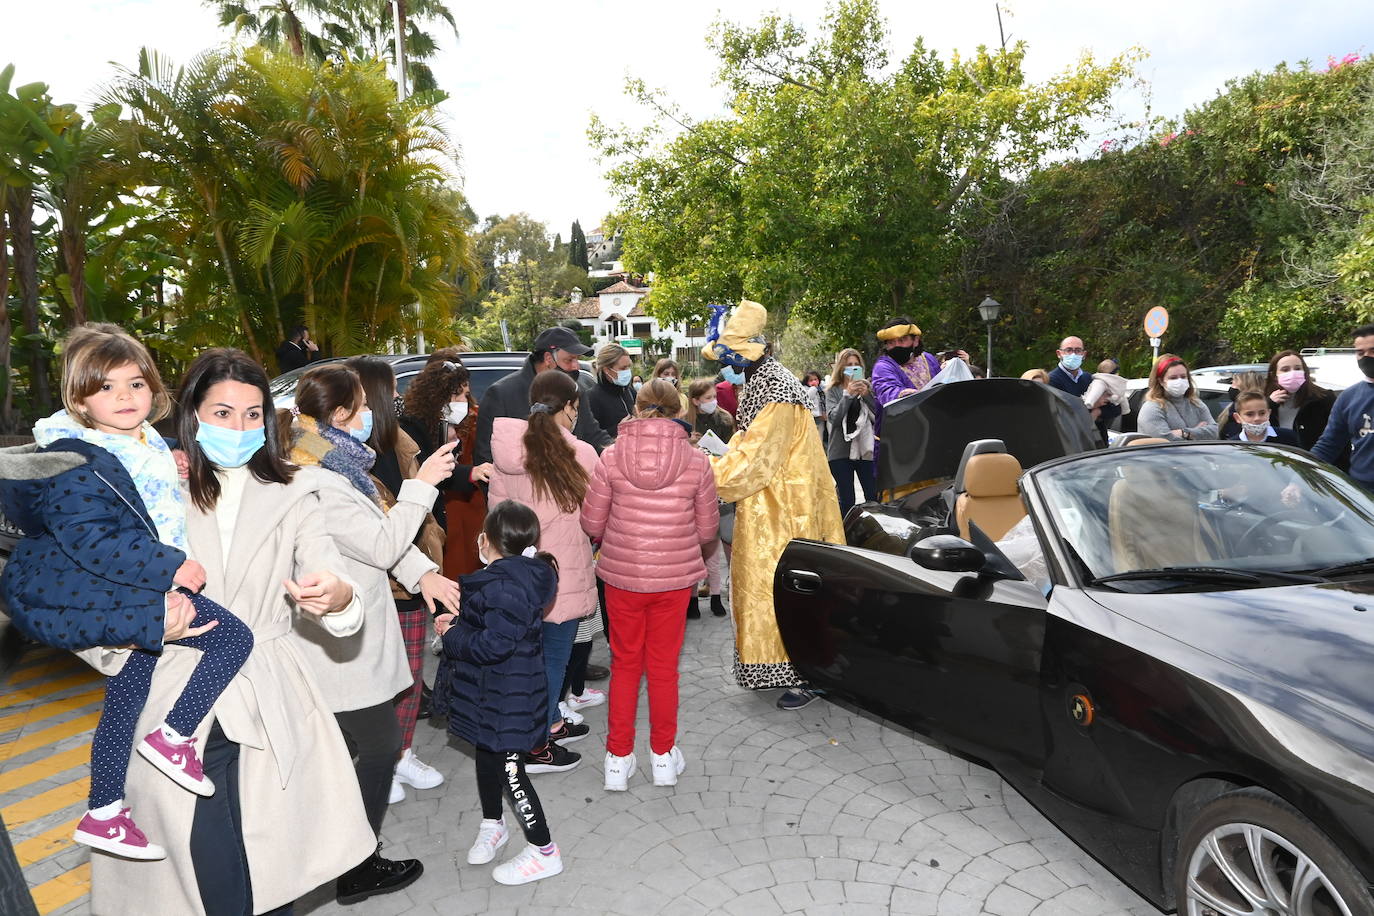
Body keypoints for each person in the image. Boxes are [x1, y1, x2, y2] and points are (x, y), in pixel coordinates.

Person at [71, 347, 373, 916]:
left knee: (272, 879)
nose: (239, 427)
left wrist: (338, 597)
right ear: (192, 414)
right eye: (222, 413)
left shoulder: (297, 491)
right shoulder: (146, 486)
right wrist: (139, 630)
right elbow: (90, 597)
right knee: (208, 879)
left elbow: (330, 574)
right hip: (172, 701)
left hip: (269, 696)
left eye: (253, 414)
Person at [0, 324, 254, 861]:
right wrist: (174, 565)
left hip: (133, 585)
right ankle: (174, 737)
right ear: (79, 398)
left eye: (136, 384)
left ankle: (104, 810)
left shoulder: (139, 440)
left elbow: (138, 488)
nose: (125, 397)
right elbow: (93, 538)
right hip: (126, 585)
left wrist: (172, 463)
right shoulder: (76, 460)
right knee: (232, 638)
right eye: (106, 387)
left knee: (128, 690)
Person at [284, 363, 464, 903]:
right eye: (360, 406)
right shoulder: (315, 474)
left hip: (348, 632)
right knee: (379, 746)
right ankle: (353, 864)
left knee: (343, 751)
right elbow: (381, 543)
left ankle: (337, 852)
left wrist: (423, 574)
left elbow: (368, 541)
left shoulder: (337, 460)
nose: (368, 415)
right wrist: (421, 487)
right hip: (337, 638)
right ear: (338, 414)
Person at [702, 301, 844, 709]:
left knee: (787, 592)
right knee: (768, 591)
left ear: (742, 355)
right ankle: (779, 665)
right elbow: (749, 445)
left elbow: (757, 461)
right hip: (772, 509)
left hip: (787, 513)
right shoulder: (763, 380)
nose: (723, 369)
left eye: (725, 359)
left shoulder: (775, 388)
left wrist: (704, 469)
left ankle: (807, 675)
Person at [581, 379, 719, 790]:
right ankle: (662, 756)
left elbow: (591, 523)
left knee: (625, 666)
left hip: (622, 577)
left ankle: (617, 761)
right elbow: (709, 528)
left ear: (637, 407)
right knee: (663, 669)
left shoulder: (610, 456)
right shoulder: (696, 462)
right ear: (678, 410)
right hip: (674, 580)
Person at [433, 500, 564, 885]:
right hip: (494, 693)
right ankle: (494, 823)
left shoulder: (505, 586)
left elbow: (494, 645)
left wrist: (453, 634)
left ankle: (544, 851)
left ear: (485, 539)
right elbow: (498, 628)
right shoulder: (515, 579)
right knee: (486, 754)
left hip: (509, 698)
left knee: (511, 772)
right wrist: (459, 622)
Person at [345, 356, 448, 805]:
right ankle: (379, 761)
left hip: (411, 576)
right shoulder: (343, 461)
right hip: (379, 585)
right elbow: (385, 531)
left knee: (409, 675)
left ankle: (400, 753)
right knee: (381, 680)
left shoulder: (394, 439)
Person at [489, 369, 599, 772]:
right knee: (553, 657)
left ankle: (550, 722)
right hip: (562, 572)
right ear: (570, 407)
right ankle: (537, 747)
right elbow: (595, 516)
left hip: (519, 573)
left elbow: (497, 515)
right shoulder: (581, 453)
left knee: (533, 656)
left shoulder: (505, 452)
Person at [397, 351, 492, 569]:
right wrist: (468, 471)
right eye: (457, 395)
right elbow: (425, 468)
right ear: (437, 395)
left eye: (465, 395)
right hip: (436, 508)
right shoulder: (413, 426)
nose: (463, 402)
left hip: (466, 504)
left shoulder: (466, 418)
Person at [474, 326, 610, 466]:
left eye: (577, 359)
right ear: (548, 358)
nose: (576, 366)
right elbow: (485, 458)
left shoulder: (576, 391)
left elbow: (592, 434)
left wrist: (618, 452)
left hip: (571, 483)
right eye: (569, 360)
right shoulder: (501, 394)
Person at [1312, 325, 1374, 491]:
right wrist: (1301, 479)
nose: (1366, 357)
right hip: (1364, 494)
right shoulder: (1348, 398)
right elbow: (1328, 445)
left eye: (1372, 351)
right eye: (1360, 353)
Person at [824, 350, 878, 517]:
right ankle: (845, 537)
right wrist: (847, 395)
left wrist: (867, 396)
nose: (853, 369)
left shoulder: (869, 388)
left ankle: (876, 535)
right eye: (848, 365)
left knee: (873, 496)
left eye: (856, 365)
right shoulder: (833, 390)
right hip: (840, 453)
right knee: (847, 500)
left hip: (865, 451)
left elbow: (880, 416)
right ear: (841, 368)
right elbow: (834, 418)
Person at [1136, 354, 1219, 441]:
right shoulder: (1152, 408)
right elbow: (1164, 441)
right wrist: (1198, 432)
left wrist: (1184, 433)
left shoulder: (1196, 403)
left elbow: (1214, 432)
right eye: (1173, 378)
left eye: (1183, 377)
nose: (1179, 381)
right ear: (1161, 381)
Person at [1264, 350, 1336, 449]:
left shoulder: (1324, 399)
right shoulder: (1263, 401)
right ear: (1274, 376)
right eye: (1285, 370)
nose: (1292, 373)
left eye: (1297, 368)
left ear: (1304, 372)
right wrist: (1268, 404)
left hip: (1312, 460)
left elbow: (1336, 436)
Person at [870, 318, 942, 409]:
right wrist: (900, 394)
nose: (897, 345)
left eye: (902, 340)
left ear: (915, 340)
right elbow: (886, 389)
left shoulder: (929, 359)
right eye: (891, 342)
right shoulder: (882, 367)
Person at [586, 342, 636, 442]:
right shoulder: (591, 397)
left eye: (628, 366)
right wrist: (618, 429)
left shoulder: (630, 391)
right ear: (607, 370)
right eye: (623, 368)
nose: (627, 371)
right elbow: (589, 436)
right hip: (608, 454)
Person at [1229, 390, 1301, 444]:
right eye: (1249, 414)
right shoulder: (1231, 445)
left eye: (1262, 413)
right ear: (1237, 418)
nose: (1257, 418)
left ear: (1269, 413)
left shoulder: (1288, 437)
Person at [801, 370, 825, 439]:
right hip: (812, 416)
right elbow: (808, 397)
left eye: (815, 379)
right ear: (807, 382)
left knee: (820, 433)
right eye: (811, 380)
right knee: (811, 434)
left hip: (820, 416)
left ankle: (820, 447)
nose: (814, 381)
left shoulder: (821, 389)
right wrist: (814, 387)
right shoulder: (806, 389)